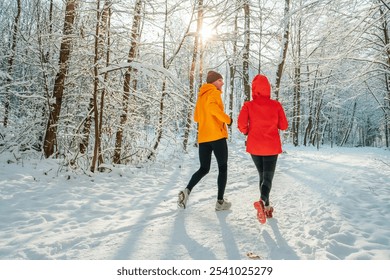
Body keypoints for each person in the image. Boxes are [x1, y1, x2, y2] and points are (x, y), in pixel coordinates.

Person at [178, 70, 233, 211]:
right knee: (223, 168)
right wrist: (227, 120)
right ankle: (220, 202)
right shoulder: (214, 92)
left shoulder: (201, 96)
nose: (222, 83)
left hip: (203, 138)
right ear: (214, 82)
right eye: (220, 80)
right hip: (217, 136)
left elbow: (196, 117)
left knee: (204, 168)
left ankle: (187, 190)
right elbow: (213, 108)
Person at [237, 74, 288, 220]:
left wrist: (248, 131)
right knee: (267, 178)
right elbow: (284, 126)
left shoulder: (248, 105)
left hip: (255, 147)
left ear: (254, 89)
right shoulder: (276, 105)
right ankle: (261, 201)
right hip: (271, 146)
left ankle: (266, 207)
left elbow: (241, 124)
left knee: (263, 176)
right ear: (268, 88)